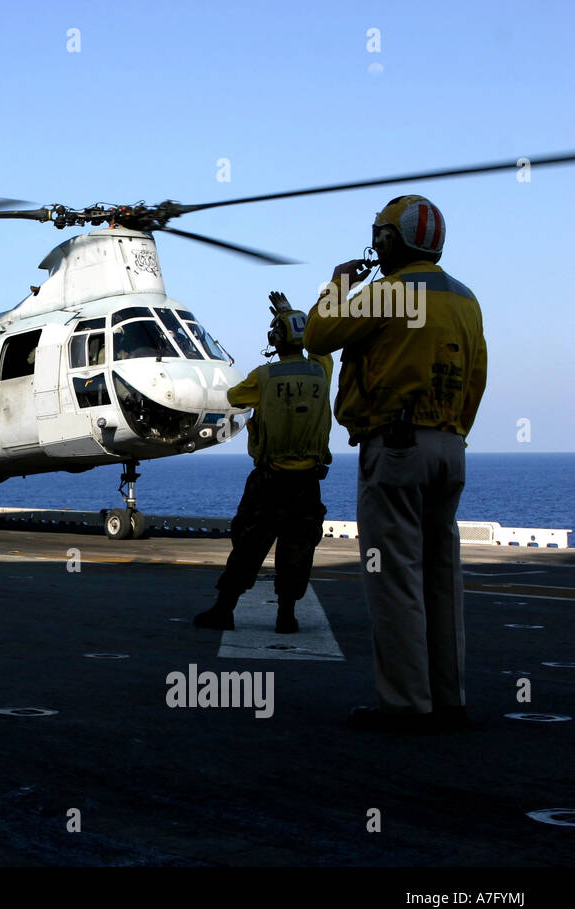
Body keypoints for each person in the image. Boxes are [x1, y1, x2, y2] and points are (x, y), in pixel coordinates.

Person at [302, 195, 487, 733]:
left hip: (397, 447)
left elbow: (317, 335)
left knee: (395, 576)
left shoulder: (385, 295)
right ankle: (448, 698)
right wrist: (453, 431)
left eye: (379, 235)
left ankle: (406, 704)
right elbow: (477, 377)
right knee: (441, 575)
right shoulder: (466, 300)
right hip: (450, 446)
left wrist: (338, 284)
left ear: (390, 240)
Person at [193, 292, 333, 634]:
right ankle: (286, 615)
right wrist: (291, 314)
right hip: (307, 484)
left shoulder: (265, 377)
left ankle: (224, 609)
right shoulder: (320, 371)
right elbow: (321, 347)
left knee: (248, 545)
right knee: (298, 548)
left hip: (271, 480)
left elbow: (234, 396)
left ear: (274, 338)